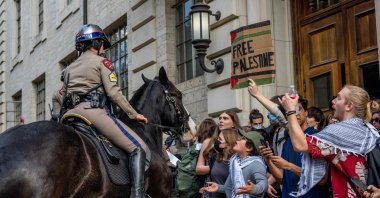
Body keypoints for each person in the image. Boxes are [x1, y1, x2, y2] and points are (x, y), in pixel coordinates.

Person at [62, 24, 148, 198]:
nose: (103, 49)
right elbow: (113, 93)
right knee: (138, 147)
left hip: (69, 116)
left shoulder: (68, 69)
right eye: (102, 44)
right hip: (93, 113)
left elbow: (64, 97)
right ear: (95, 43)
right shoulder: (103, 63)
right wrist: (133, 114)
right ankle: (137, 195)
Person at [281, 85, 379, 197]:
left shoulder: (343, 130)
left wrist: (290, 111)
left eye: (338, 98)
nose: (333, 101)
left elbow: (300, 145)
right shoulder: (363, 128)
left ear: (349, 106)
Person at [202, 129, 268, 198]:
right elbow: (228, 188)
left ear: (249, 147)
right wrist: (218, 187)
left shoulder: (256, 164)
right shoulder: (235, 162)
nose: (238, 139)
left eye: (243, 139)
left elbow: (264, 183)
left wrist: (254, 188)